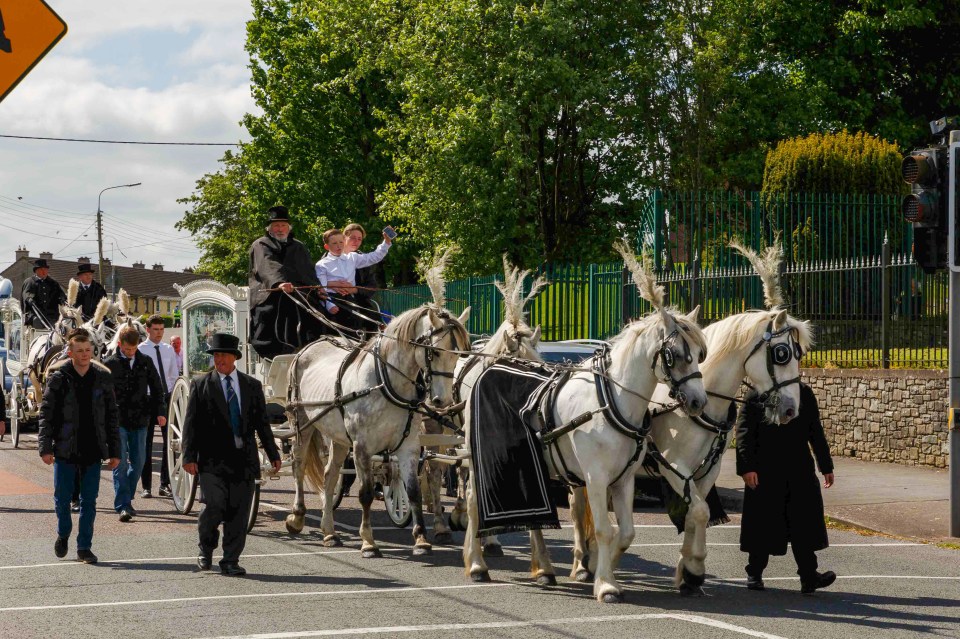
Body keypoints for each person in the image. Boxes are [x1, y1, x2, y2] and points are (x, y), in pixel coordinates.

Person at [182, 333, 281, 576]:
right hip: (212, 461)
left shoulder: (251, 386)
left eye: (223, 355)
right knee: (213, 506)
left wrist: (273, 452)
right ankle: (205, 548)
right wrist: (188, 457)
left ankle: (230, 560)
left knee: (239, 512)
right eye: (216, 355)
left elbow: (262, 424)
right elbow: (190, 424)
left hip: (243, 460)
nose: (219, 359)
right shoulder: (201, 384)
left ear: (234, 357)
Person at [736, 382, 837, 594]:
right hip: (765, 469)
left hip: (799, 467)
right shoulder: (757, 393)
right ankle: (754, 574)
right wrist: (747, 467)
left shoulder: (803, 393)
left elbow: (814, 430)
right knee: (760, 524)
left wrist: (826, 465)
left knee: (804, 523)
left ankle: (809, 577)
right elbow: (744, 431)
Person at [38, 328, 120, 564]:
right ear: (71, 352)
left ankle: (84, 547)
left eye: (88, 350)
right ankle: (63, 533)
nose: (85, 354)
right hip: (65, 449)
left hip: (93, 449)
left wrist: (114, 451)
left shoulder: (102, 378)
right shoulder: (59, 378)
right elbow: (47, 414)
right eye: (80, 351)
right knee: (62, 499)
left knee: (89, 501)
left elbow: (112, 417)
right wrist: (45, 447)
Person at [248, 205, 327, 359]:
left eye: (283, 225)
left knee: (317, 313)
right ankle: (279, 354)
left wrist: (317, 288)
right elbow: (267, 266)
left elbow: (307, 271)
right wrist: (279, 283)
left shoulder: (298, 246)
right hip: (270, 294)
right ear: (269, 228)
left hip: (299, 294)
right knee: (275, 314)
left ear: (289, 228)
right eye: (276, 225)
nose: (280, 229)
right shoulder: (261, 244)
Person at [105, 325, 166, 522]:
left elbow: (157, 389)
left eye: (133, 349)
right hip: (118, 420)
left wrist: (160, 412)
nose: (130, 352)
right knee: (120, 463)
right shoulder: (110, 364)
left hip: (141, 419)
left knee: (139, 463)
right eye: (127, 349)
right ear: (120, 344)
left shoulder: (145, 362)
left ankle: (126, 498)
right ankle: (123, 505)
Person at [315, 227, 391, 332]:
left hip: (350, 300)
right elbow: (322, 288)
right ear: (327, 246)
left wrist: (386, 242)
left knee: (356, 327)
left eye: (341, 242)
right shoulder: (321, 264)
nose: (339, 246)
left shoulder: (353, 257)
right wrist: (329, 304)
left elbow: (374, 257)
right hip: (333, 300)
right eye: (334, 243)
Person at [139, 315, 179, 498]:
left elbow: (173, 375)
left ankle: (165, 483)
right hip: (147, 399)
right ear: (148, 330)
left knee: (169, 443)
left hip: (166, 397)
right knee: (145, 444)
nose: (159, 333)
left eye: (162, 329)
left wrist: (168, 395)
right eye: (155, 329)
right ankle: (146, 486)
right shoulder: (141, 349)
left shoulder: (168, 349)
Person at [343, 223, 387, 328]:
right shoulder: (329, 257)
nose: (356, 242)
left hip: (359, 303)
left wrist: (355, 290)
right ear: (344, 237)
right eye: (353, 238)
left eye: (359, 239)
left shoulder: (359, 258)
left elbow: (372, 287)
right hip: (335, 300)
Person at [21, 258, 66, 329]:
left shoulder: (53, 283)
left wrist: (62, 299)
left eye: (45, 269)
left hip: (52, 315)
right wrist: (29, 298)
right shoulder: (30, 281)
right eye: (41, 270)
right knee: (37, 321)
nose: (44, 271)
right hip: (35, 314)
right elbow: (26, 293)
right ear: (36, 271)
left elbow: (61, 294)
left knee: (58, 324)